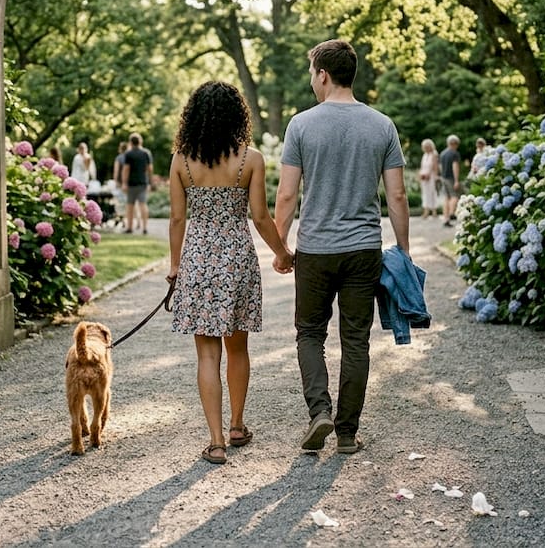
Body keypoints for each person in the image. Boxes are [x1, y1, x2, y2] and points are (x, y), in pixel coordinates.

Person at [273, 39, 411, 456]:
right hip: (363, 249)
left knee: (310, 334)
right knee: (356, 340)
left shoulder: (301, 125)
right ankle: (347, 433)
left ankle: (320, 412)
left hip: (315, 249)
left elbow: (286, 197)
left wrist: (280, 247)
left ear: (323, 75)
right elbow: (398, 196)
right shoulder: (382, 125)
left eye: (311, 73)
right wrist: (402, 251)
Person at [168, 81, 294, 465]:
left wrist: (175, 266)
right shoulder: (250, 159)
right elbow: (259, 216)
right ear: (238, 116)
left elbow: (177, 218)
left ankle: (216, 441)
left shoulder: (181, 161)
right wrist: (282, 253)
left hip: (198, 259)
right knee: (237, 347)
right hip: (237, 258)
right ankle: (238, 425)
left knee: (207, 354)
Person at [119, 133, 153, 234]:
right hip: (142, 183)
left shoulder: (128, 154)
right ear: (140, 141)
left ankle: (130, 227)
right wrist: (149, 182)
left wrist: (124, 183)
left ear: (130, 142)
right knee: (143, 205)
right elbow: (150, 169)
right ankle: (145, 227)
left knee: (130, 206)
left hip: (131, 183)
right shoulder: (146, 153)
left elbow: (126, 169)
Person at [440, 135, 462, 226]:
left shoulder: (443, 153)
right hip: (451, 178)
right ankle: (451, 214)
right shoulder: (454, 153)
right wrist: (456, 180)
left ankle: (446, 219)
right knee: (454, 197)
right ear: (455, 143)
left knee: (446, 198)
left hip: (444, 177)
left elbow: (440, 167)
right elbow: (455, 167)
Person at [417, 139, 440, 219]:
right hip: (424, 176)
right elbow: (422, 166)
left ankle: (434, 211)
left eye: (427, 147)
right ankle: (426, 211)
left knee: (432, 192)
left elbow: (435, 166)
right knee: (425, 193)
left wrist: (432, 175)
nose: (426, 148)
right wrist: (420, 175)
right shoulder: (424, 155)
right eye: (424, 147)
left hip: (431, 176)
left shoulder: (434, 154)